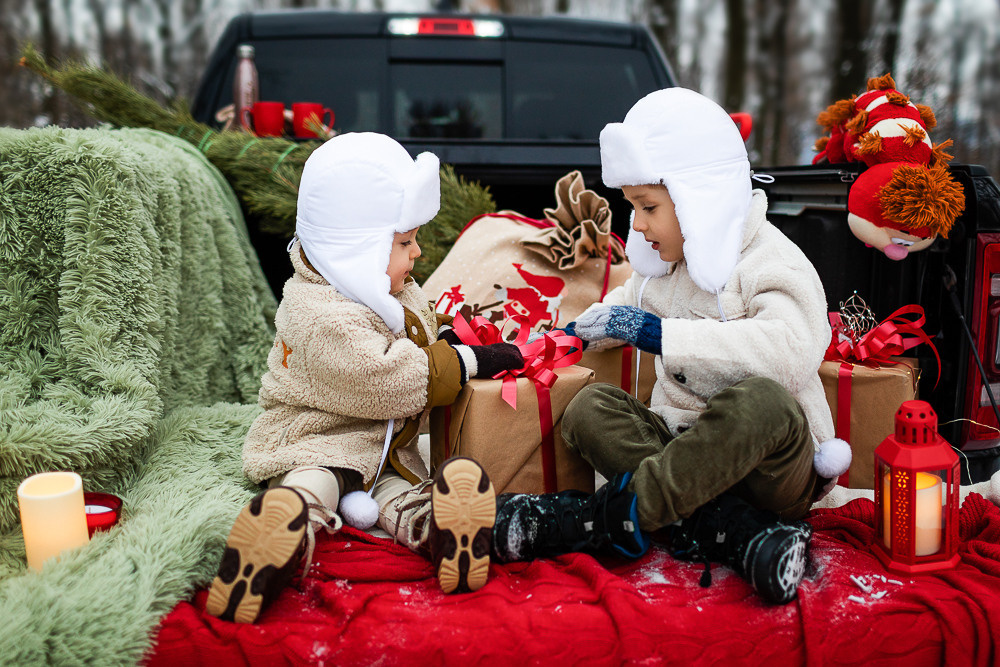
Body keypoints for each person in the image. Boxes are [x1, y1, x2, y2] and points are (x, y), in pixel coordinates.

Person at [499, 88, 852, 605]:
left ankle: (592, 520)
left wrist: (661, 335)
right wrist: (566, 336)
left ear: (699, 199)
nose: (638, 224)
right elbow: (622, 307)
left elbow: (791, 349)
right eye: (633, 207)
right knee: (590, 408)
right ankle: (728, 528)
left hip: (770, 468)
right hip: (682, 446)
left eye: (649, 207)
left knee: (762, 401)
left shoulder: (771, 259)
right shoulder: (664, 265)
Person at [206, 132, 526, 623]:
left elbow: (419, 326)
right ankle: (285, 525)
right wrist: (466, 361)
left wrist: (451, 332)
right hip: (316, 437)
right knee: (318, 478)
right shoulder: (320, 314)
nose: (418, 252)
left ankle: (444, 530)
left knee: (400, 495)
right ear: (357, 248)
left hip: (384, 451)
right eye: (405, 242)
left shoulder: (383, 285)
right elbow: (388, 379)